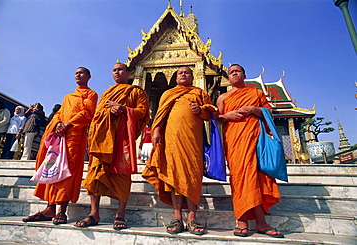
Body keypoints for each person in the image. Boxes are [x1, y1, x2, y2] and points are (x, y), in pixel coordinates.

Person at [142, 66, 215, 235]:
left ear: (192, 76)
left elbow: (210, 113)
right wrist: (156, 131)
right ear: (175, 78)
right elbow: (160, 115)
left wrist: (201, 110)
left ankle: (192, 217)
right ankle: (177, 217)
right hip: (172, 141)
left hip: (193, 142)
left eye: (187, 73)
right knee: (174, 178)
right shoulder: (168, 94)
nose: (183, 75)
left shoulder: (199, 93)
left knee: (192, 177)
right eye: (180, 73)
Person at [22, 67, 98, 225]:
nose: (78, 75)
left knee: (66, 172)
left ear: (89, 76)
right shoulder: (68, 97)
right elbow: (59, 113)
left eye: (81, 73)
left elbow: (87, 113)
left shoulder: (91, 94)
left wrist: (68, 124)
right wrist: (57, 124)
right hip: (60, 137)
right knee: (53, 168)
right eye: (76, 73)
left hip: (74, 138)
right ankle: (50, 208)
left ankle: (61, 211)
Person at [77, 63, 149, 229]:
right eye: (114, 70)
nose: (117, 72)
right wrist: (109, 112)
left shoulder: (136, 92)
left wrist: (123, 109)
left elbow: (142, 113)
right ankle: (94, 213)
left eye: (120, 70)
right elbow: (97, 115)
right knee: (95, 173)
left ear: (129, 73)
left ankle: (120, 214)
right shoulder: (107, 93)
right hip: (102, 139)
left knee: (122, 174)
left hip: (122, 139)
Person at [216, 64, 284, 238]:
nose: (234, 74)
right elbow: (217, 119)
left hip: (256, 142)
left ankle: (261, 223)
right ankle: (241, 221)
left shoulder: (256, 93)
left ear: (244, 75)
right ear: (228, 78)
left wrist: (255, 110)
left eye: (237, 71)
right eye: (231, 73)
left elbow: (269, 113)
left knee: (257, 180)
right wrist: (227, 116)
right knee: (240, 180)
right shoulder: (223, 98)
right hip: (235, 143)